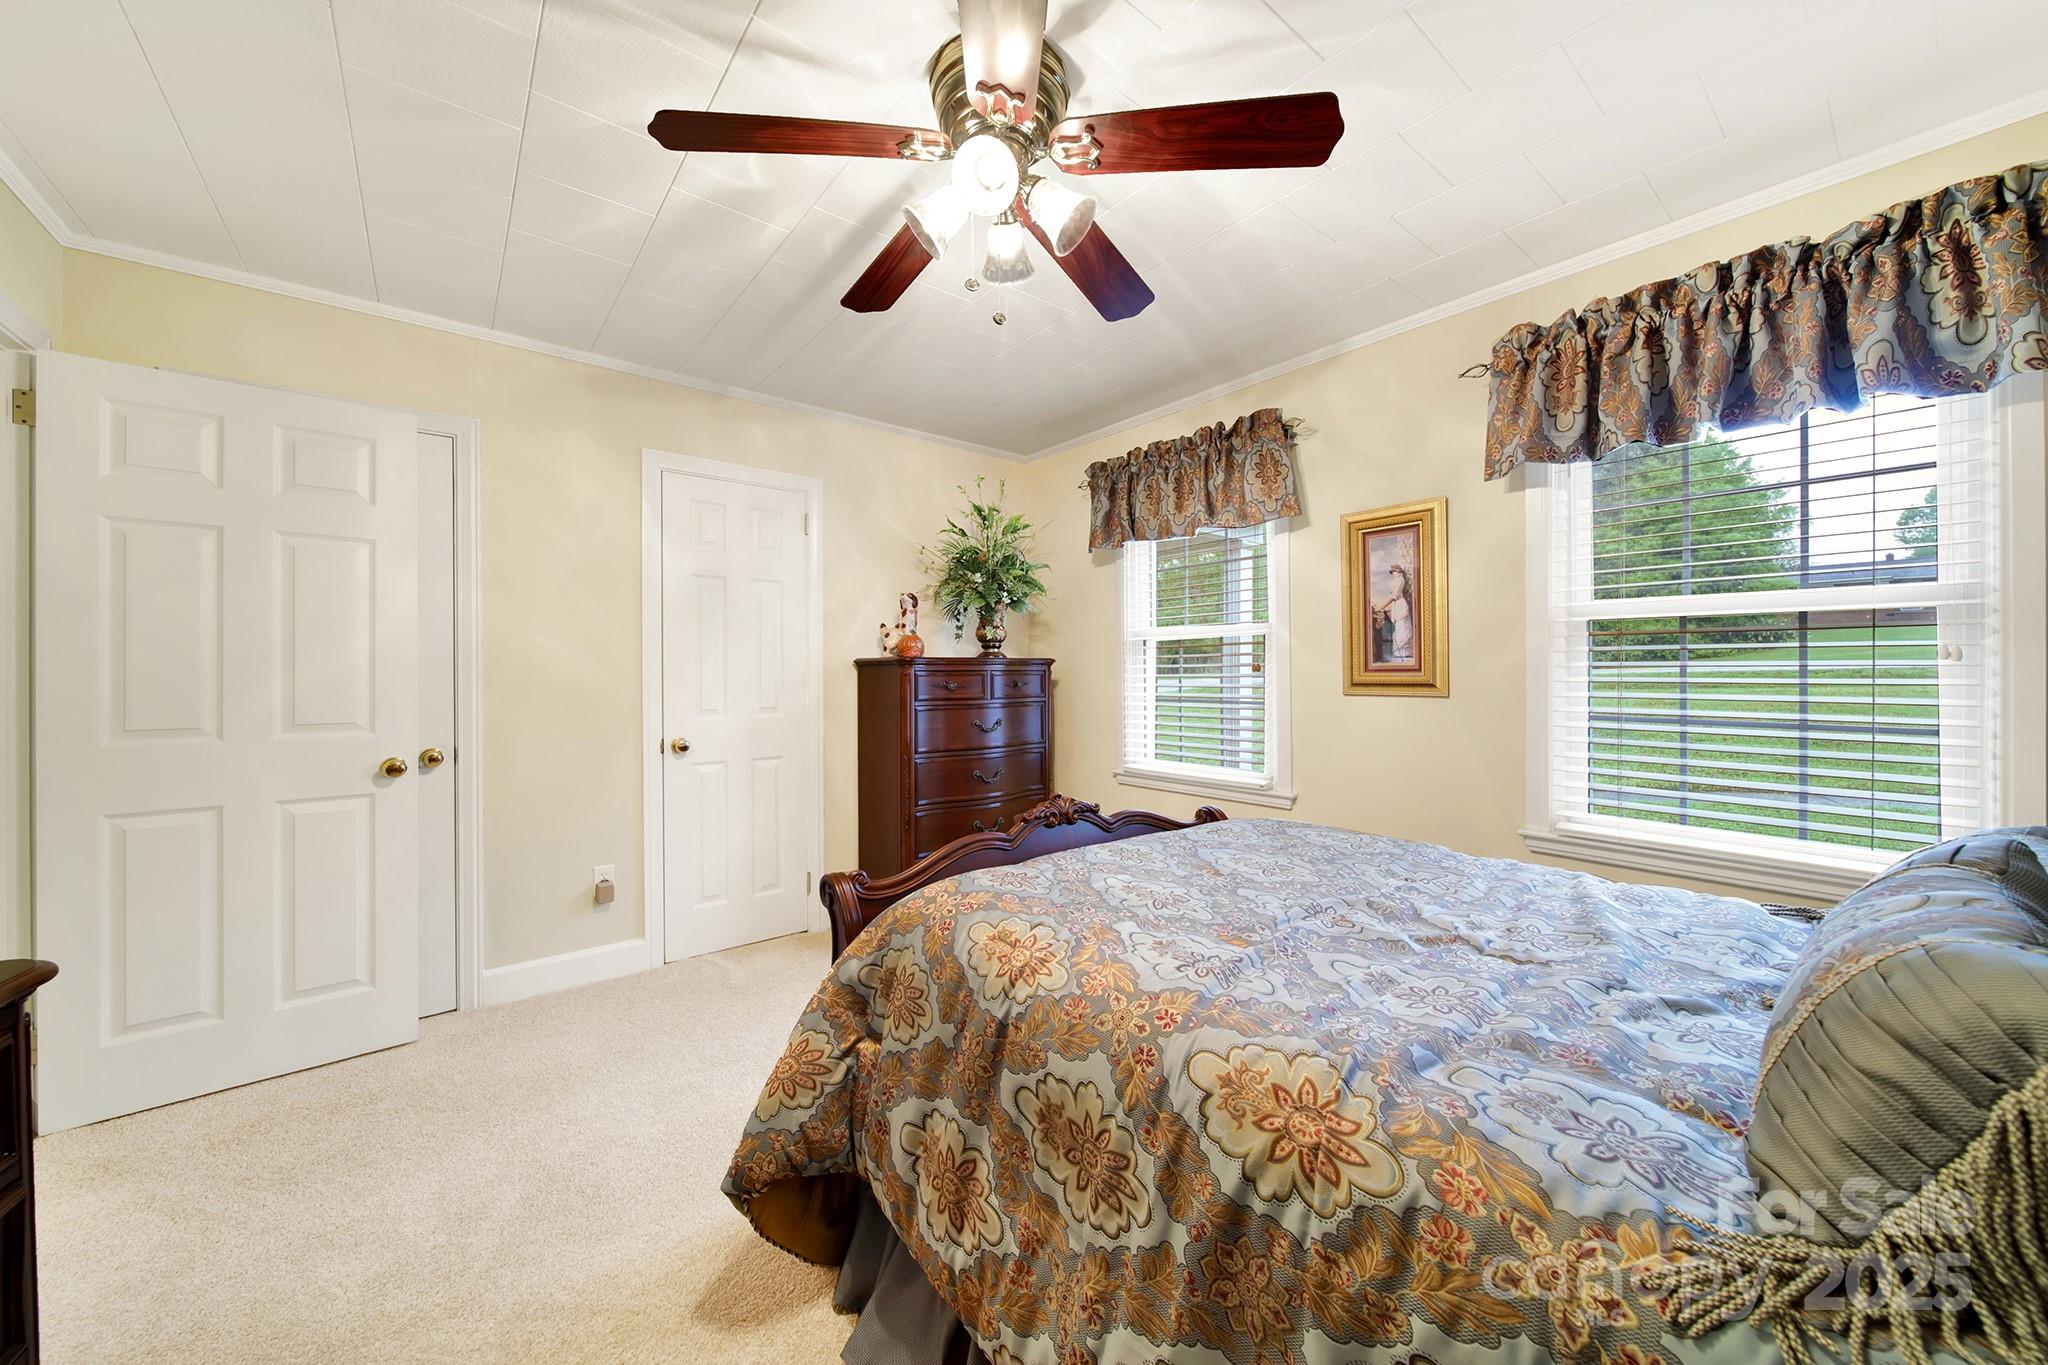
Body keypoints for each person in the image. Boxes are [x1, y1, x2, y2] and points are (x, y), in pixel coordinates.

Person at [1371, 563, 1415, 664]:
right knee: (1399, 631)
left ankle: (1403, 655)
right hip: (1396, 605)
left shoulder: (1400, 580)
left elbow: (1394, 595)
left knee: (1402, 630)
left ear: (1399, 572)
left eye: (1395, 571)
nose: (1393, 573)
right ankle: (1401, 655)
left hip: (1400, 605)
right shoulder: (1396, 580)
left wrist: (1382, 606)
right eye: (1393, 572)